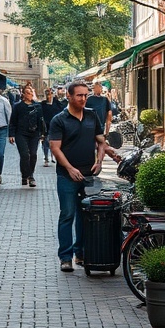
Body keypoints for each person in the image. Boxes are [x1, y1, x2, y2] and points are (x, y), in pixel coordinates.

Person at [49, 80, 106, 273]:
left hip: (89, 176)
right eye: (79, 95)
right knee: (67, 215)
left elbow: (101, 140)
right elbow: (55, 148)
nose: (83, 98)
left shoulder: (91, 115)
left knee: (86, 216)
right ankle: (65, 257)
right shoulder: (59, 119)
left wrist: (100, 160)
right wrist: (70, 168)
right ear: (69, 96)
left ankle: (80, 253)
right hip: (66, 176)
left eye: (85, 95)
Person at [9, 85, 45, 187]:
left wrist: (42, 133)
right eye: (28, 93)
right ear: (23, 94)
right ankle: (26, 175)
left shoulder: (37, 106)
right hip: (21, 133)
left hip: (34, 134)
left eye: (31, 93)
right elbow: (13, 121)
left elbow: (41, 120)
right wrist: (11, 134)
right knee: (25, 155)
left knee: (33, 154)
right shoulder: (18, 106)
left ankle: (30, 175)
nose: (30, 95)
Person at [86, 81, 114, 146]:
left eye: (100, 87)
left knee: (100, 145)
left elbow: (109, 114)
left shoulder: (105, 99)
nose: (99, 89)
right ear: (94, 89)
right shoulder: (89, 99)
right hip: (90, 126)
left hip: (101, 126)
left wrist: (107, 132)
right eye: (97, 87)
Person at [39, 88, 59, 166]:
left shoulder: (56, 103)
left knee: (53, 142)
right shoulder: (43, 104)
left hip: (54, 126)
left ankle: (52, 155)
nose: (49, 96)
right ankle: (46, 158)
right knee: (45, 143)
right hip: (45, 126)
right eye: (47, 94)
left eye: (50, 94)